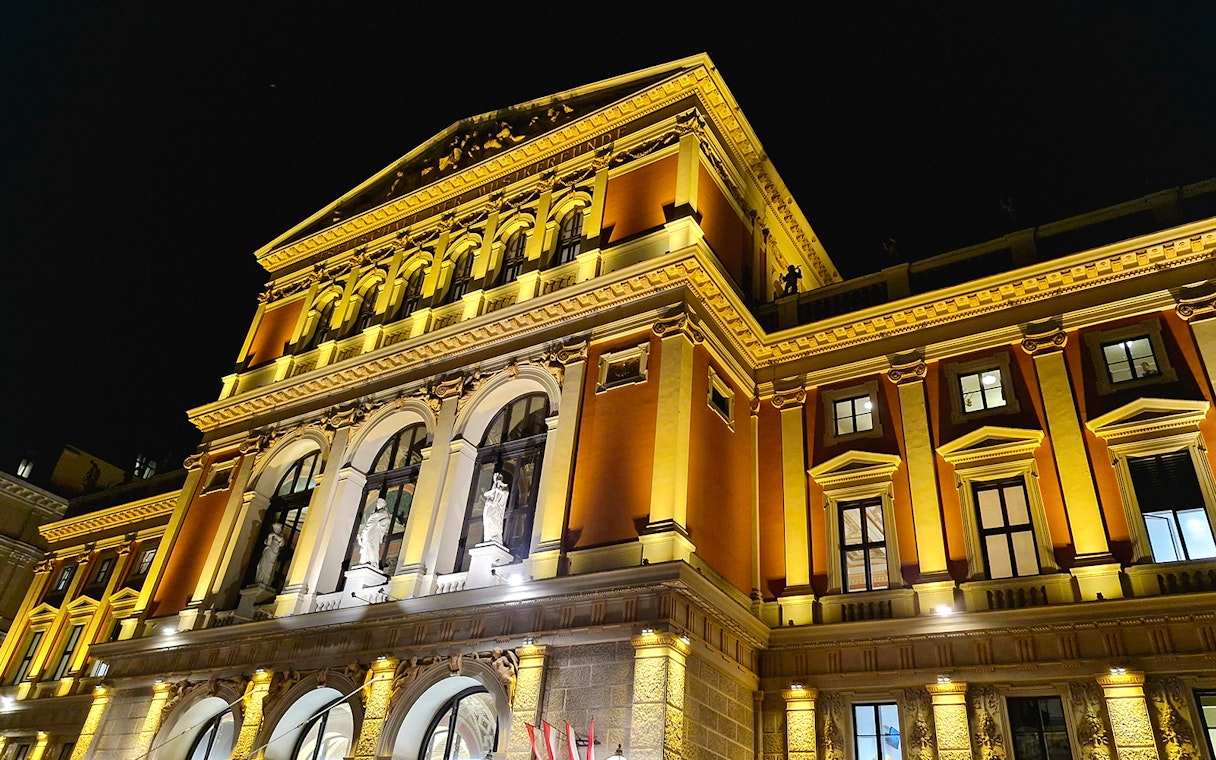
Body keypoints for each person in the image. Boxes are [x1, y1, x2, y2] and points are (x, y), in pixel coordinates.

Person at [357, 499, 391, 566]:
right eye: (377, 503)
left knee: (370, 544)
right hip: (369, 529)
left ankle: (373, 561)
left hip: (375, 530)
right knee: (366, 543)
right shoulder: (374, 512)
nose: (377, 504)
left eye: (379, 503)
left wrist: (379, 524)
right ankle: (365, 560)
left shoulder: (384, 512)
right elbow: (368, 523)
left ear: (382, 504)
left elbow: (387, 520)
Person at [481, 472, 509, 545]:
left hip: (497, 509)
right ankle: (488, 537)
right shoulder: (493, 489)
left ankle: (496, 537)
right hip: (489, 509)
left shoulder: (505, 489)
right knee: (488, 521)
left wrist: (498, 489)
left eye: (498, 478)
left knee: (496, 522)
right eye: (496, 479)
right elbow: (485, 494)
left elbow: (505, 493)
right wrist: (493, 490)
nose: (497, 480)